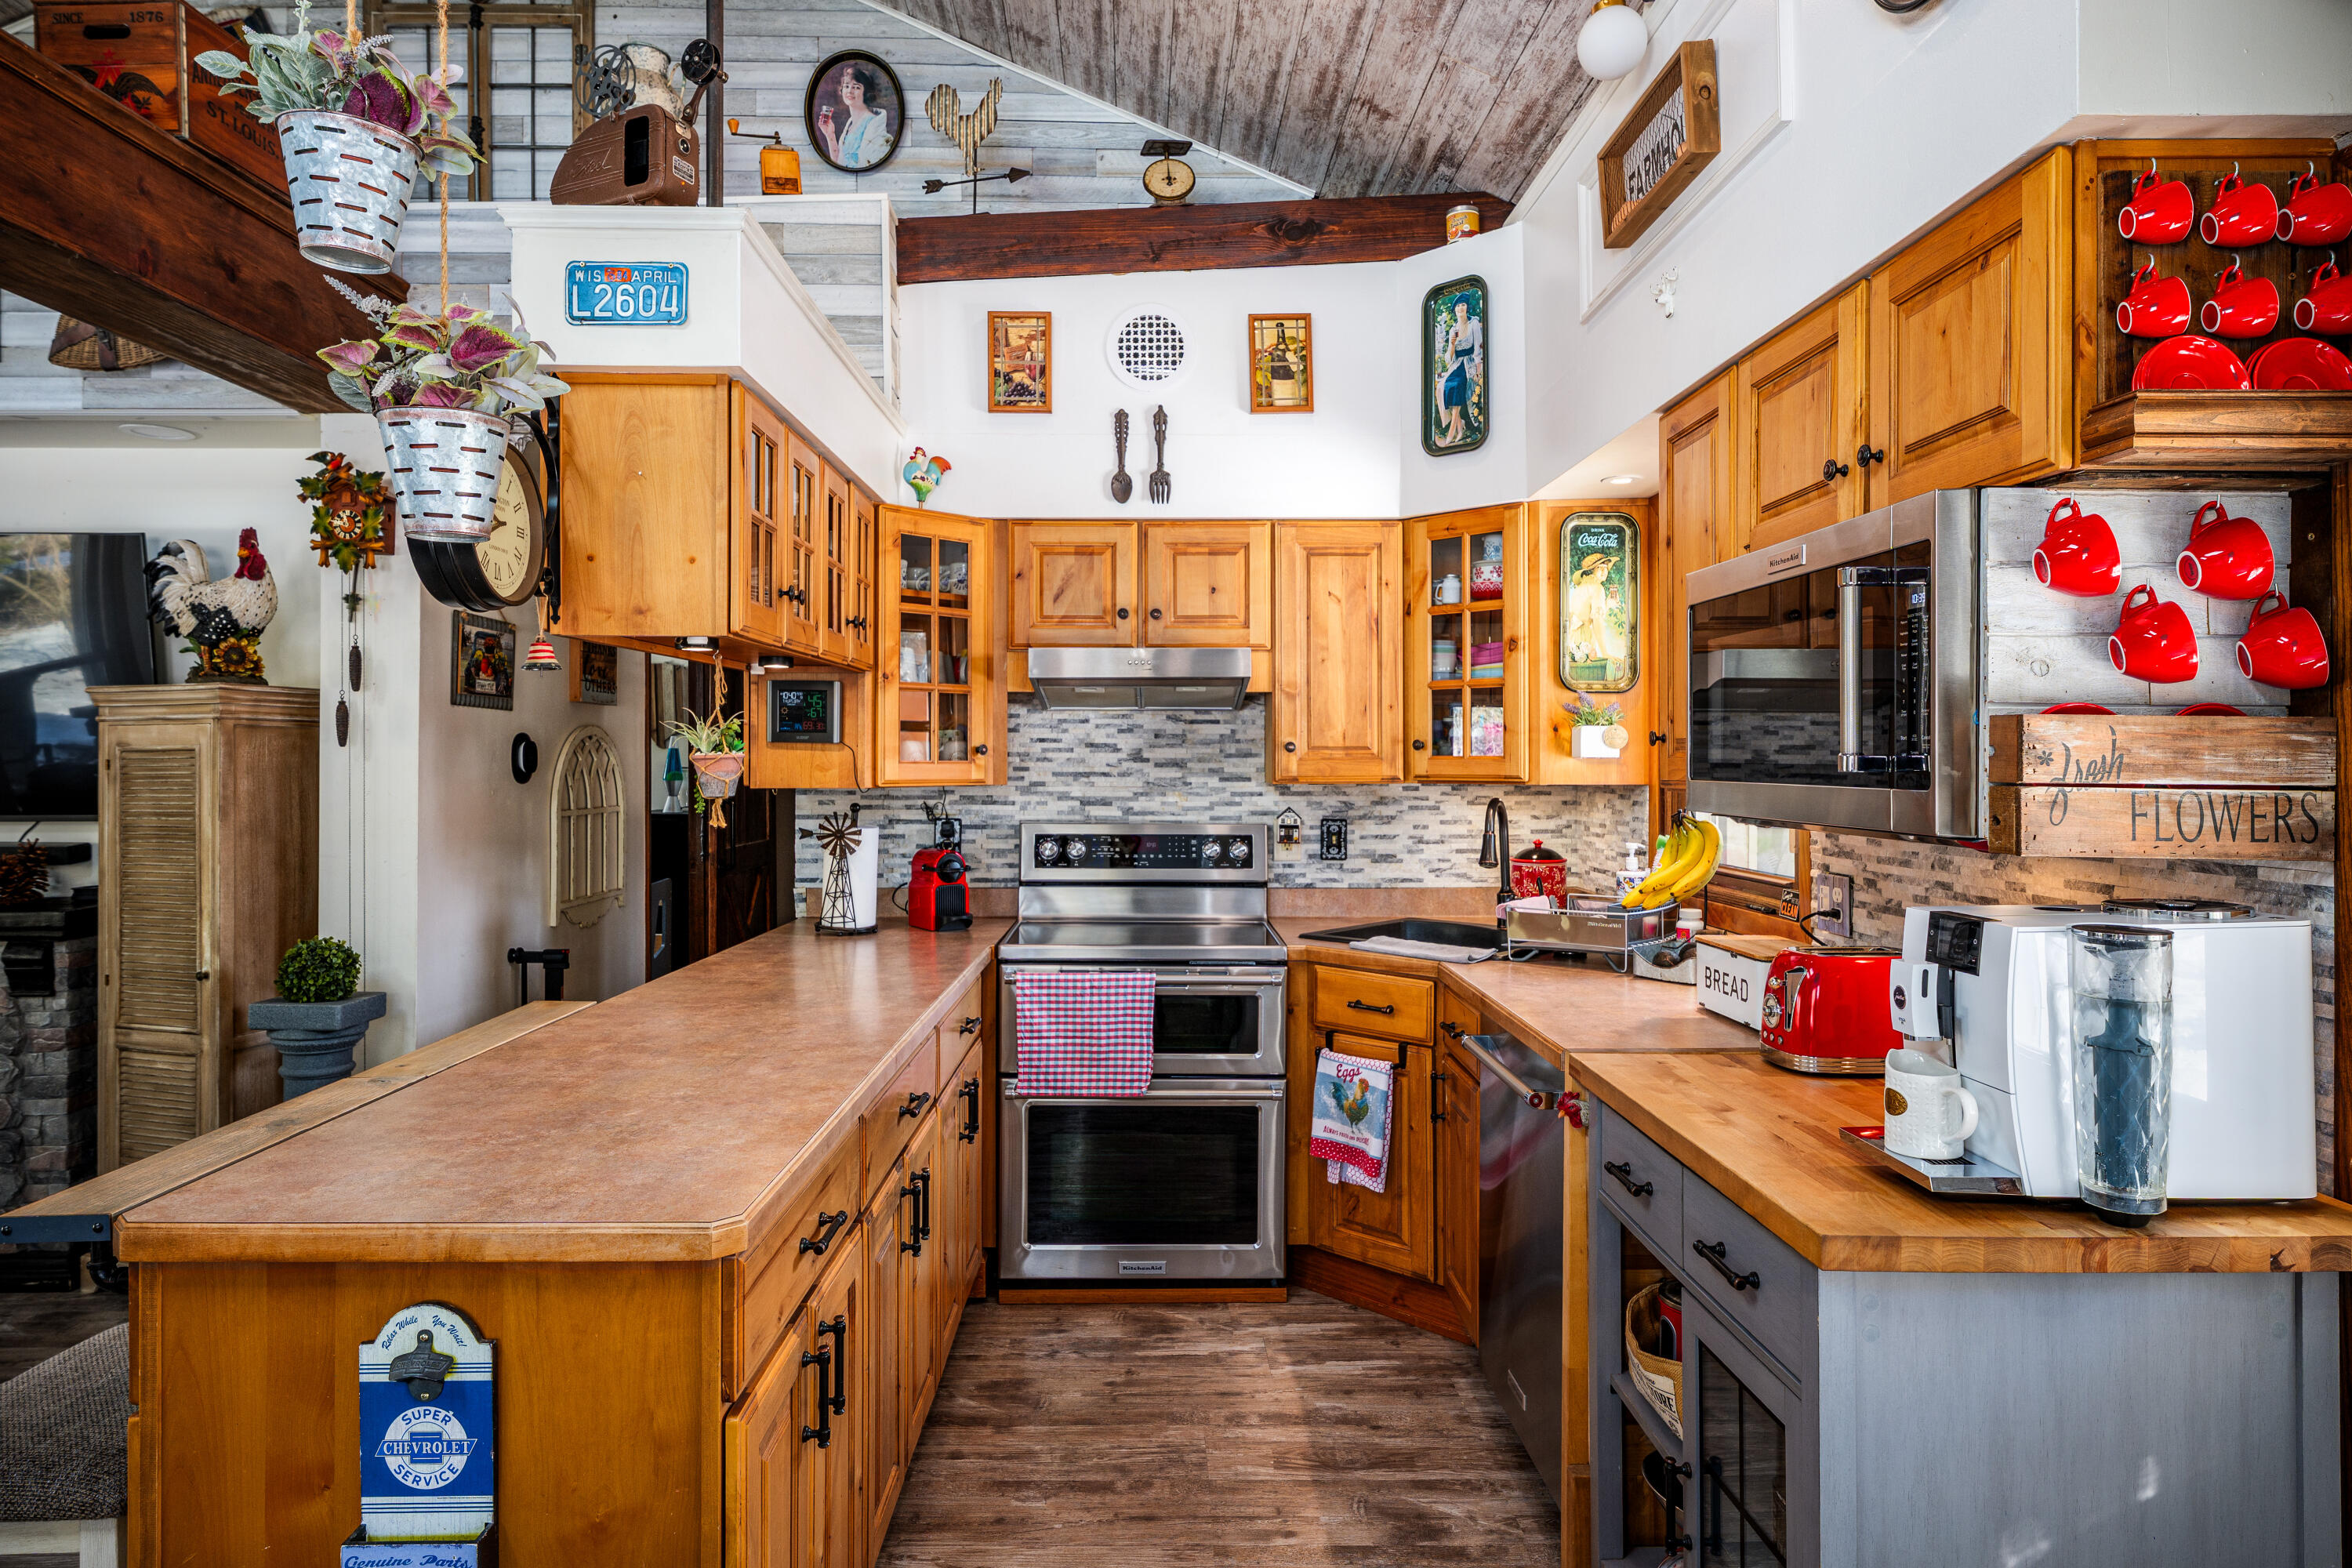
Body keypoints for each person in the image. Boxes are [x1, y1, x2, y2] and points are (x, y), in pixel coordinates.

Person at [815, 63, 894, 169]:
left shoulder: (872, 123)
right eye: (846, 86)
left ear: (865, 92)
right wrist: (830, 135)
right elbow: (840, 165)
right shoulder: (851, 124)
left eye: (856, 87)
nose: (850, 91)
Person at [1435, 297, 1483, 445]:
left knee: (1457, 386)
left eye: (1463, 305)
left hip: (1469, 364)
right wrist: (1453, 344)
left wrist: (1477, 369)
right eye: (1458, 306)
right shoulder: (1453, 329)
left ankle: (1452, 432)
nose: (1461, 308)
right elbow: (1449, 357)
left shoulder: (1473, 323)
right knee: (1442, 386)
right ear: (1455, 310)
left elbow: (1478, 348)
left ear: (1466, 307)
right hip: (1457, 364)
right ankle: (1459, 428)